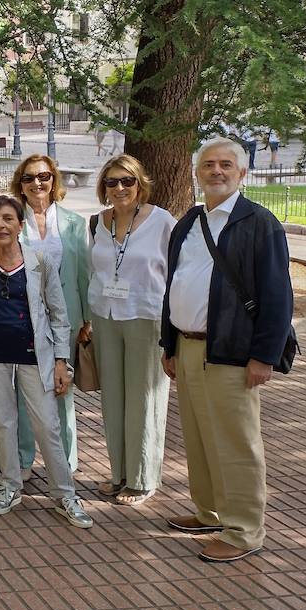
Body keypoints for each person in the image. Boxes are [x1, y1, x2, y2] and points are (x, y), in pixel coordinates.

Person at [160, 136, 293, 563]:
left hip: (234, 351)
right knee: (198, 439)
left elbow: (277, 295)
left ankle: (243, 531)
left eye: (226, 165)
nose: (216, 171)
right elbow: (174, 286)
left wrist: (263, 356)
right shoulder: (190, 221)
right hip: (188, 347)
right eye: (209, 165)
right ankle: (210, 511)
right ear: (198, 173)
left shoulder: (258, 222)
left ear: (242, 173)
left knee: (236, 444)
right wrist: (169, 343)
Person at [0, 196, 93, 528]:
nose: (0, 225)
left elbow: (59, 315)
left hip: (36, 355)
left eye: (8, 218)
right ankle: (9, 485)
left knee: (47, 426)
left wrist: (63, 361)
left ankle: (64, 493)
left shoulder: (40, 261)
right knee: (3, 424)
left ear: (21, 225)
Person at [87, 155, 175, 506]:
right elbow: (92, 269)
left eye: (127, 181)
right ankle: (119, 473)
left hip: (145, 315)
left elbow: (174, 271)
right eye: (112, 182)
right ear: (103, 187)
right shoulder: (97, 221)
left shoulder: (161, 221)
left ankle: (142, 478)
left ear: (140, 184)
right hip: (106, 316)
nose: (119, 188)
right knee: (114, 399)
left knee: (144, 398)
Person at [13, 153, 89, 476]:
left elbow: (83, 271)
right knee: (25, 392)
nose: (37, 183)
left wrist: (87, 319)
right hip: (24, 317)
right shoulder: (15, 221)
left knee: (63, 388)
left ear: (53, 180)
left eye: (43, 176)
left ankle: (66, 461)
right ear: (21, 185)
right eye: (29, 178)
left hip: (65, 318)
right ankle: (25, 458)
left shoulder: (73, 223)